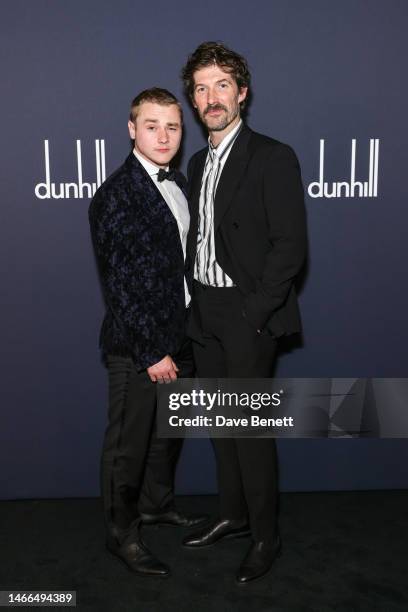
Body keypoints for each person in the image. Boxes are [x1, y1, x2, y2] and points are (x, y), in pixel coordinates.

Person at [181, 42, 307, 584]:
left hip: (245, 312)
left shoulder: (272, 156)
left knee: (248, 430)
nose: (212, 97)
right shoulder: (194, 160)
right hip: (203, 310)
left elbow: (290, 249)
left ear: (243, 94)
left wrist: (254, 313)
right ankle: (232, 513)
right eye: (202, 88)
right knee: (220, 426)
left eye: (222, 86)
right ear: (193, 98)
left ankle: (265, 534)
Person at [88, 88, 206, 578]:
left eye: (173, 127)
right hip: (140, 347)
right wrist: (151, 351)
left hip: (179, 334)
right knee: (128, 446)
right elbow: (120, 286)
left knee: (168, 434)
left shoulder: (177, 182)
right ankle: (122, 534)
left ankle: (156, 505)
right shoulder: (116, 195)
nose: (163, 135)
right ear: (132, 129)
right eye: (152, 125)